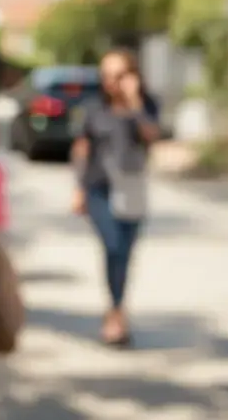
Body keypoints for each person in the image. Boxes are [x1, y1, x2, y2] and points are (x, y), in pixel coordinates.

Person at [70, 48, 161, 347]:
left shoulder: (146, 105)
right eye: (107, 76)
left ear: (133, 75)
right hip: (99, 187)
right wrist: (78, 188)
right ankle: (116, 313)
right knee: (112, 245)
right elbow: (82, 148)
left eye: (119, 75)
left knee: (125, 252)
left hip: (132, 189)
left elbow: (152, 136)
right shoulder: (94, 107)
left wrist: (134, 103)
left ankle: (116, 311)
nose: (112, 82)